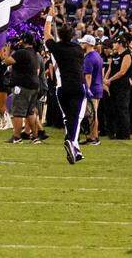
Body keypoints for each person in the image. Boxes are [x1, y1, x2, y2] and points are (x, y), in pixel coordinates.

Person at [43, 9, 87, 164]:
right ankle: (71, 141)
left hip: (62, 88)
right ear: (73, 36)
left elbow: (46, 35)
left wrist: (49, 16)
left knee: (68, 118)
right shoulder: (78, 49)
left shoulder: (57, 49)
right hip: (77, 86)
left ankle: (76, 150)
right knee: (76, 117)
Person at [1, 36, 41, 144]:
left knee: (18, 112)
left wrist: (7, 52)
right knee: (30, 112)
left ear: (24, 41)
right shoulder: (34, 53)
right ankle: (35, 136)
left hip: (23, 85)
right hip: (34, 85)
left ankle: (17, 136)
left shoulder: (22, 52)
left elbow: (7, 62)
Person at [80, 35, 104, 145]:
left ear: (88, 44)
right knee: (92, 114)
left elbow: (88, 76)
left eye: (83, 43)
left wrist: (86, 90)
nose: (81, 45)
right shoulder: (97, 56)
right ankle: (92, 137)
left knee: (92, 115)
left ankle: (94, 138)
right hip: (97, 86)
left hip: (92, 89)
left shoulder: (89, 58)